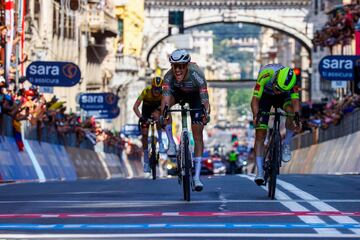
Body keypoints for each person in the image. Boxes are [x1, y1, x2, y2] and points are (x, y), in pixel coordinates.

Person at [160, 49, 210, 192]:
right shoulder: (168, 77)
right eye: (175, 66)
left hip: (195, 97)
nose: (178, 70)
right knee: (165, 110)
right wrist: (164, 114)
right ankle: (171, 143)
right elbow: (165, 99)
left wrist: (205, 114)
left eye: (181, 66)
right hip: (177, 94)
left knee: (198, 134)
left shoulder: (197, 74)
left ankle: (197, 178)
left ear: (187, 65)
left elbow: (205, 99)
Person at [251, 64, 301, 186]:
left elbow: (295, 101)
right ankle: (260, 172)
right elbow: (255, 99)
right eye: (277, 88)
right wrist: (256, 116)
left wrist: (297, 118)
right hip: (265, 96)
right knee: (260, 133)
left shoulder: (292, 81)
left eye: (280, 90)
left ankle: (286, 144)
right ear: (275, 78)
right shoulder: (265, 74)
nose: (277, 92)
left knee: (291, 112)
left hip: (284, 98)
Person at [133, 76, 171, 173]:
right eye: (155, 89)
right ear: (152, 87)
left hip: (157, 108)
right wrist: (141, 117)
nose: (156, 91)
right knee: (145, 134)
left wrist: (163, 117)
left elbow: (166, 108)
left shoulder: (163, 94)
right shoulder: (146, 91)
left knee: (158, 117)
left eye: (158, 89)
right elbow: (135, 107)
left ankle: (161, 142)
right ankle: (146, 161)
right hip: (146, 110)